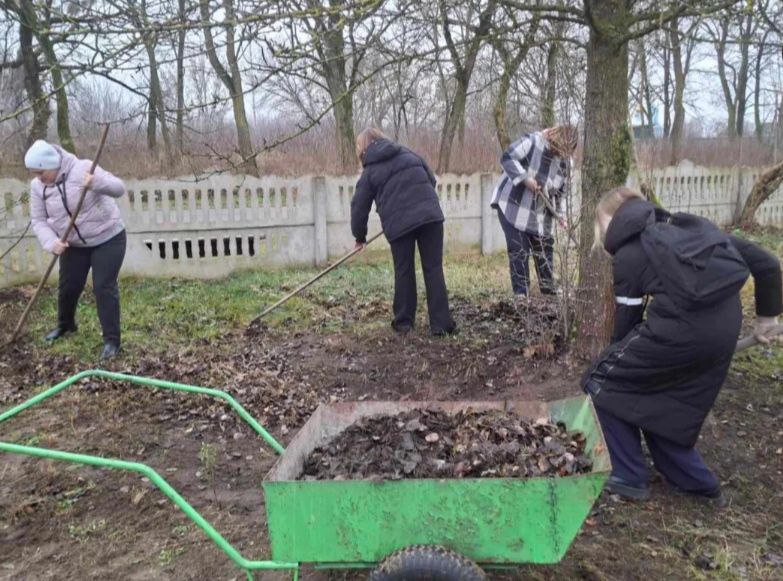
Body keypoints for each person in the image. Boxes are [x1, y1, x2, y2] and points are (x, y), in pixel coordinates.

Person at [583, 187, 782, 505]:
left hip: (681, 333)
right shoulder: (691, 229)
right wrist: (766, 317)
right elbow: (768, 264)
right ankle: (696, 484)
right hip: (724, 330)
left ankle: (629, 475)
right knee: (668, 403)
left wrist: (614, 368)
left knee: (601, 382)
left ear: (608, 221)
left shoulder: (629, 253)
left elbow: (625, 327)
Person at [27, 140, 127, 360]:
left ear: (52, 165)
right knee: (68, 286)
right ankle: (66, 325)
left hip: (108, 237)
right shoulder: (38, 187)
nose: (38, 178)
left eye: (41, 172)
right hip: (74, 244)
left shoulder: (83, 168)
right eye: (34, 173)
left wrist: (97, 183)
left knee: (103, 287)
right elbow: (39, 220)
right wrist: (51, 242)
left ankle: (112, 341)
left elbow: (119, 188)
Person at [351, 128, 456, 336]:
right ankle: (441, 325)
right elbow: (431, 180)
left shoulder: (370, 170)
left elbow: (359, 207)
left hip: (400, 223)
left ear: (363, 148)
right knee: (434, 268)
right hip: (430, 216)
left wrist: (359, 237)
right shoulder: (408, 153)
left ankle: (404, 323)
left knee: (404, 270)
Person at [490, 125, 578, 297]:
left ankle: (549, 292)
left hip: (539, 212)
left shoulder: (566, 163)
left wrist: (560, 215)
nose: (561, 153)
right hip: (513, 205)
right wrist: (525, 179)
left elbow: (560, 192)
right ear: (555, 139)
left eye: (566, 151)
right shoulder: (533, 141)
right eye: (560, 148)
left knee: (545, 249)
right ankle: (521, 297)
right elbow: (507, 158)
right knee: (519, 250)